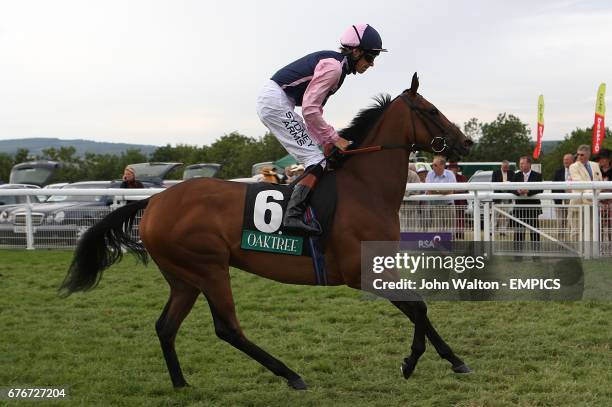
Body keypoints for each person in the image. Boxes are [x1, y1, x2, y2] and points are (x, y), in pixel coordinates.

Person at [256, 24, 387, 234]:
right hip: (275, 101)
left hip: (278, 101)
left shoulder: (339, 70)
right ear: (356, 51)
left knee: (318, 158)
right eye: (370, 57)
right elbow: (309, 110)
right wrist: (335, 139)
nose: (371, 64)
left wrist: (325, 143)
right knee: (315, 160)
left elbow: (314, 115)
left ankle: (301, 211)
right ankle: (292, 216)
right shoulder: (334, 68)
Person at [568, 145, 603, 241]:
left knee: (592, 229)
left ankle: (590, 253)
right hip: (578, 202)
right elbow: (578, 182)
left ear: (588, 155)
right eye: (577, 154)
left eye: (582, 154)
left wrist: (595, 194)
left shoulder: (595, 165)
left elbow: (600, 181)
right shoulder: (573, 166)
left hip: (592, 203)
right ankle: (576, 253)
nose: (579, 156)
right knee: (576, 230)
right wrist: (592, 192)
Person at [511, 156, 542, 253]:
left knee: (534, 232)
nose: (521, 165)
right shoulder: (516, 175)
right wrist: (517, 191)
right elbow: (510, 188)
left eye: (523, 163)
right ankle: (517, 255)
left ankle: (536, 254)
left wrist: (528, 191)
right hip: (519, 208)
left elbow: (540, 188)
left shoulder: (537, 175)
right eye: (520, 163)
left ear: (529, 164)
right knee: (518, 232)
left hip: (533, 208)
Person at [425, 156, 456, 232]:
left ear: (442, 166)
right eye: (432, 165)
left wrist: (435, 191)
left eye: (435, 165)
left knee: (450, 232)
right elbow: (428, 191)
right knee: (437, 232)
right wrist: (443, 191)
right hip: (435, 207)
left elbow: (451, 191)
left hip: (449, 207)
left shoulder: (450, 174)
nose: (433, 167)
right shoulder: (430, 174)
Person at [552, 153, 574, 237]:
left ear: (572, 160)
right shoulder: (558, 172)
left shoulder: (576, 171)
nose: (565, 161)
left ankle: (573, 242)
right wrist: (556, 200)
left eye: (567, 159)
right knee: (560, 223)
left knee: (572, 222)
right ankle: (561, 243)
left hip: (573, 200)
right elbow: (553, 187)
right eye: (564, 160)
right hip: (560, 201)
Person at [491, 160, 513, 234]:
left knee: (505, 215)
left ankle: (503, 231)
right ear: (501, 166)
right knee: (495, 214)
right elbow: (493, 183)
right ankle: (492, 230)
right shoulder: (496, 173)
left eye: (507, 167)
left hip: (507, 196)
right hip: (498, 196)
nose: (506, 169)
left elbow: (514, 183)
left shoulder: (511, 173)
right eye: (504, 167)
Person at [447, 162, 467, 239]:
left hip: (460, 202)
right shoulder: (447, 177)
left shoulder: (462, 177)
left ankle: (460, 234)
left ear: (457, 169)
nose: (453, 170)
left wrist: (453, 191)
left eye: (454, 168)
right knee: (451, 219)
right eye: (451, 168)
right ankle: (452, 235)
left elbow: (464, 188)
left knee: (460, 218)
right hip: (449, 202)